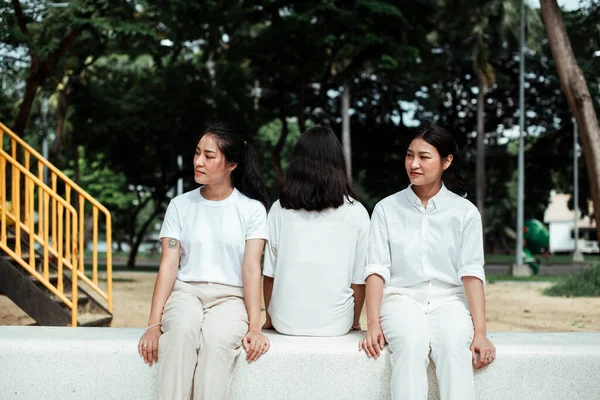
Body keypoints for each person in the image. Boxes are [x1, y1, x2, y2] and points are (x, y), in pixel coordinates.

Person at [359, 125, 496, 400]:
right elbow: (376, 269)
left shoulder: (465, 213)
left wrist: (481, 333)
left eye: (424, 157)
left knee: (454, 347)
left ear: (446, 162)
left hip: (450, 301)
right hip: (401, 299)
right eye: (410, 155)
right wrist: (372, 322)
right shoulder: (387, 208)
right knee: (410, 345)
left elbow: (471, 274)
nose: (414, 164)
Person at [138, 122, 271, 400]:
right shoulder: (180, 206)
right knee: (180, 335)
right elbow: (169, 264)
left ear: (231, 164)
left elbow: (251, 268)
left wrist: (255, 326)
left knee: (217, 344)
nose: (198, 162)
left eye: (209, 156)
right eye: (197, 153)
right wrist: (153, 325)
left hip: (230, 299)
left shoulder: (252, 210)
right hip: (186, 292)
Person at [263, 126, 369, 336]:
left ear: (297, 163)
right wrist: (354, 321)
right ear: (338, 163)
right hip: (337, 325)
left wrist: (269, 318)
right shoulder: (357, 212)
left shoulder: (279, 208)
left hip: (284, 322)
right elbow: (359, 281)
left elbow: (269, 275)